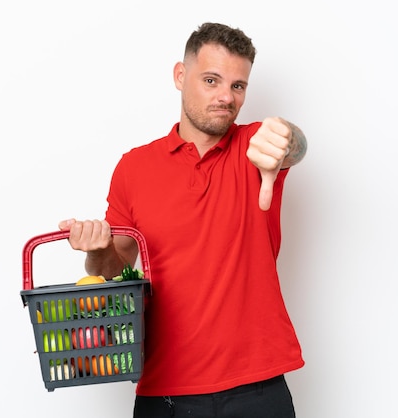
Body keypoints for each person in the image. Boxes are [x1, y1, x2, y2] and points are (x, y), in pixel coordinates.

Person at [59, 22, 308, 418]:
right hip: (166, 393)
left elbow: (292, 144)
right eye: (211, 80)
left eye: (238, 86)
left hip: (258, 389)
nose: (226, 97)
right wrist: (98, 248)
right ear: (180, 75)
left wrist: (285, 139)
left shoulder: (254, 146)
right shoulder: (134, 167)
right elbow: (112, 266)